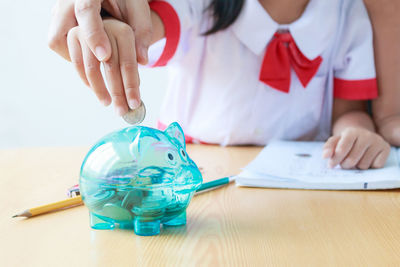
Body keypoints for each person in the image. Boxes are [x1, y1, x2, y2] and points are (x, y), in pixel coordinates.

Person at [54, 0, 391, 169]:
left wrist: (358, 136)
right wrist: (115, 31)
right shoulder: (199, 4)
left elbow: (350, 112)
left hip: (299, 183)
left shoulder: (347, 12)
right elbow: (147, 28)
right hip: (194, 173)